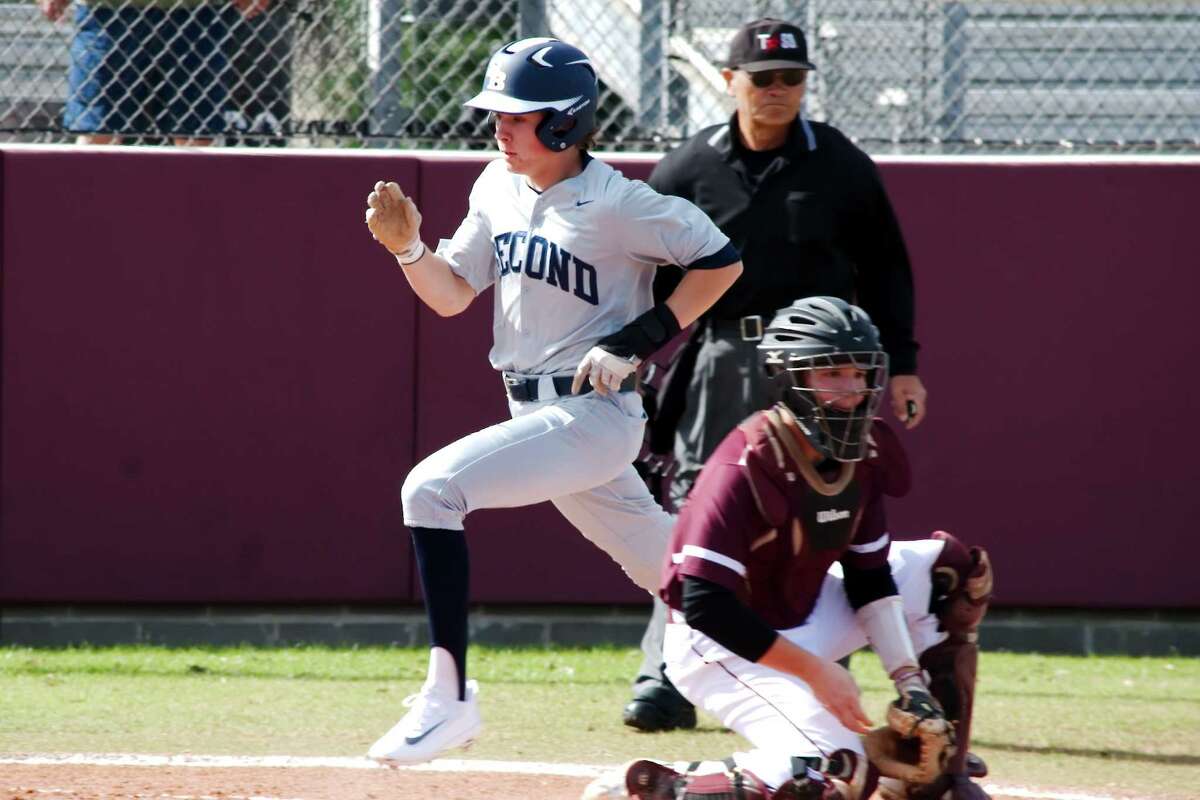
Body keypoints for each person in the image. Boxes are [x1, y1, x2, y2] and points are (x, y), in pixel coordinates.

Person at [361, 37, 743, 766]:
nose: (500, 128)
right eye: (496, 114)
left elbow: (722, 261)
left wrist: (640, 336)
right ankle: (819, 616)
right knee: (670, 568)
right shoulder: (494, 186)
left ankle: (448, 700)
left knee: (431, 491)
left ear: (566, 123)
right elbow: (450, 295)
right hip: (534, 414)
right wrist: (409, 250)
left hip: (594, 416)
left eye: (519, 116)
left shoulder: (620, 203)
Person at [624, 16, 928, 735]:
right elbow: (642, 268)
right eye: (762, 79)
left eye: (792, 78)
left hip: (822, 372)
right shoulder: (687, 169)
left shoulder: (840, 163)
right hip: (727, 354)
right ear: (730, 82)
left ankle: (829, 664)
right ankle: (665, 674)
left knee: (827, 503)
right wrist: (634, 353)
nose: (777, 91)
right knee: (694, 510)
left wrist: (905, 364)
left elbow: (887, 265)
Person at [582, 297, 992, 800]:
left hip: (806, 609)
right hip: (722, 644)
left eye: (859, 373)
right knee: (831, 776)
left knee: (951, 574)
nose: (850, 390)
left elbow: (870, 577)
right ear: (787, 376)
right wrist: (818, 674)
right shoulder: (745, 462)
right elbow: (702, 603)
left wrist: (910, 683)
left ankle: (939, 772)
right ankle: (662, 789)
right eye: (831, 373)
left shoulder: (865, 450)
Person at [37, 0, 272, 145]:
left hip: (199, 13)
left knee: (196, 133)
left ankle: (192, 218)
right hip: (108, 13)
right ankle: (88, 219)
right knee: (97, 131)